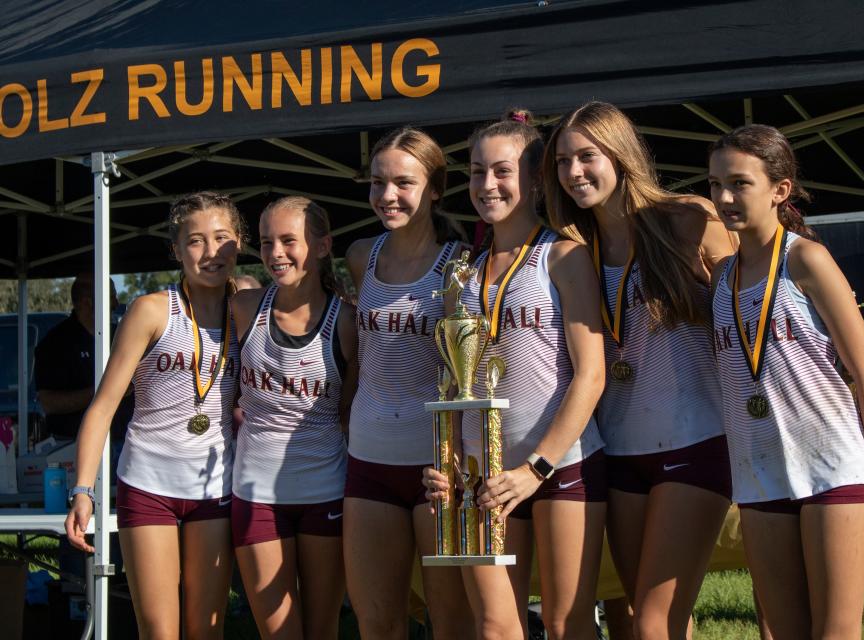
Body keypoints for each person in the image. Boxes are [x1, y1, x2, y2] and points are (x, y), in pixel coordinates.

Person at [708, 124, 864, 639]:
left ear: (780, 190)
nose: (725, 197)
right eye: (715, 184)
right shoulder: (721, 278)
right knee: (781, 631)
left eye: (740, 183)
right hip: (761, 478)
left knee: (835, 632)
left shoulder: (807, 259)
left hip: (833, 471)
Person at [543, 100, 735, 639]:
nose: (574, 172)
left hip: (694, 442)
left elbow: (749, 318)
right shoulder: (572, 248)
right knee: (635, 618)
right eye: (562, 161)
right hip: (620, 452)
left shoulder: (688, 218)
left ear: (621, 154)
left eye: (587, 156)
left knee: (654, 623)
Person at [425, 110, 607, 639]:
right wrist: (449, 462)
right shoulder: (461, 273)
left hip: (560, 466)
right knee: (494, 627)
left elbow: (590, 376)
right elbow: (454, 385)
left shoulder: (565, 257)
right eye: (477, 171)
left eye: (502, 171)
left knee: (565, 622)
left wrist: (536, 469)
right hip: (482, 473)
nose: (487, 185)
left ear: (534, 180)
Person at [65, 191, 244, 639]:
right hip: (148, 485)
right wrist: (83, 490)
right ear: (176, 250)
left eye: (221, 238)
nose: (210, 252)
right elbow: (103, 406)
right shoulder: (151, 311)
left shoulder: (250, 306)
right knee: (159, 632)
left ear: (238, 243)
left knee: (207, 629)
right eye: (196, 241)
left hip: (216, 487)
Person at [343, 127, 472, 640]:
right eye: (378, 183)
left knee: (451, 625)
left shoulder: (459, 264)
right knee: (377, 625)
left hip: (435, 467)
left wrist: (462, 455)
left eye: (403, 183)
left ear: (435, 188)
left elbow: (469, 372)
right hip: (368, 461)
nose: (387, 196)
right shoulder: (361, 257)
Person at [230, 196, 356, 640]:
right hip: (256, 492)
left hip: (326, 490)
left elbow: (350, 411)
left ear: (322, 246)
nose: (275, 253)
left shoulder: (346, 322)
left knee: (322, 631)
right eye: (266, 243)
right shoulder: (244, 308)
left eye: (289, 240)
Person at [35, 272, 133, 447]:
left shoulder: (121, 335)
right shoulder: (55, 344)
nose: (116, 304)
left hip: (124, 441)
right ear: (88, 302)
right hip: (74, 444)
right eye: (111, 297)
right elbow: (50, 403)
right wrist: (108, 391)